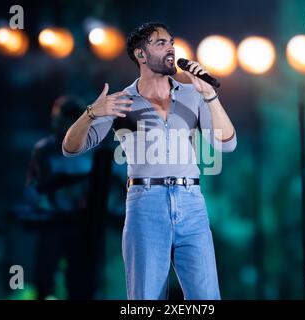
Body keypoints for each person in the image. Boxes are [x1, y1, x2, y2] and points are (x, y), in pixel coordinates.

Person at [62, 22, 237, 300]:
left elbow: (227, 144)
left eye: (171, 41)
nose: (170, 47)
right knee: (145, 299)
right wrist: (92, 113)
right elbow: (70, 148)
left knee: (207, 298)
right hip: (146, 203)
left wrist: (210, 96)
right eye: (160, 43)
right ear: (141, 55)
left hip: (191, 202)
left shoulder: (193, 94)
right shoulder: (121, 102)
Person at [25, 96, 93, 299]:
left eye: (62, 119)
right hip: (52, 224)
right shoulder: (44, 150)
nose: (57, 124)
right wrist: (46, 203)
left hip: (81, 225)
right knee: (44, 281)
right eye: (57, 119)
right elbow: (30, 189)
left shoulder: (91, 149)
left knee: (80, 283)